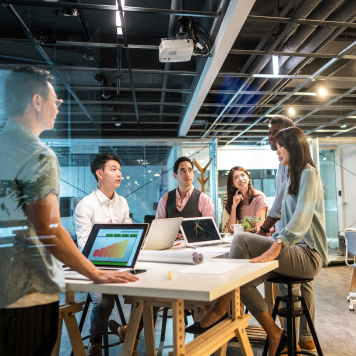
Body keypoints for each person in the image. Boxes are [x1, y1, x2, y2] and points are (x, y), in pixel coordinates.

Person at [0, 67, 138, 356]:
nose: (58, 108)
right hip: (28, 289)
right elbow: (49, 230)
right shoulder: (37, 154)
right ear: (36, 101)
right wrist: (95, 274)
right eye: (55, 101)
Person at [185, 127, 328, 356]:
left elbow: (302, 219)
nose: (277, 151)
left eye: (280, 146)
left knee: (240, 239)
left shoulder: (309, 173)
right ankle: (275, 334)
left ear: (293, 146)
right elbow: (278, 212)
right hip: (293, 249)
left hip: (309, 254)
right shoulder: (291, 174)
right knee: (242, 282)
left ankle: (221, 306)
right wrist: (271, 239)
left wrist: (277, 243)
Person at [257, 116, 316, 353]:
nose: (272, 138)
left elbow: (282, 204)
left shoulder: (305, 171)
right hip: (287, 236)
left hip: (301, 240)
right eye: (271, 134)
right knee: (295, 286)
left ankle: (298, 335)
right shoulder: (284, 167)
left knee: (300, 285)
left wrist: (267, 232)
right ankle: (291, 335)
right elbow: (281, 203)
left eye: (277, 134)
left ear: (291, 138)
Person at [74, 153, 138, 356]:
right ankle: (95, 341)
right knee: (104, 302)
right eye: (113, 169)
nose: (119, 174)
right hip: (96, 266)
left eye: (119, 169)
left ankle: (130, 333)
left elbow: (129, 235)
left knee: (151, 295)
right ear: (99, 173)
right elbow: (85, 246)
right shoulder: (86, 205)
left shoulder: (123, 202)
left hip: (123, 262)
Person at [156, 157, 215, 239]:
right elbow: (158, 228)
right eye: (183, 171)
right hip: (171, 248)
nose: (187, 174)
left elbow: (209, 229)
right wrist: (169, 235)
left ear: (193, 173)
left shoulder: (203, 199)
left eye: (190, 170)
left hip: (195, 248)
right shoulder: (165, 199)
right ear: (175, 175)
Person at [224, 166, 267, 234]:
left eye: (243, 175)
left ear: (248, 177)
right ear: (232, 183)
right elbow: (231, 230)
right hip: (243, 238)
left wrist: (240, 231)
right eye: (236, 177)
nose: (241, 179)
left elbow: (258, 228)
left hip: (257, 239)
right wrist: (234, 207)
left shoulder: (259, 197)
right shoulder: (235, 200)